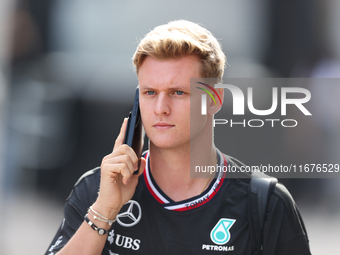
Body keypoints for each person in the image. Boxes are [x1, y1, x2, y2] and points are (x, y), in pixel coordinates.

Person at [46, 20, 311, 255]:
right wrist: (104, 211)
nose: (161, 107)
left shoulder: (265, 204)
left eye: (178, 92)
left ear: (214, 100)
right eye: (150, 93)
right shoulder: (97, 189)